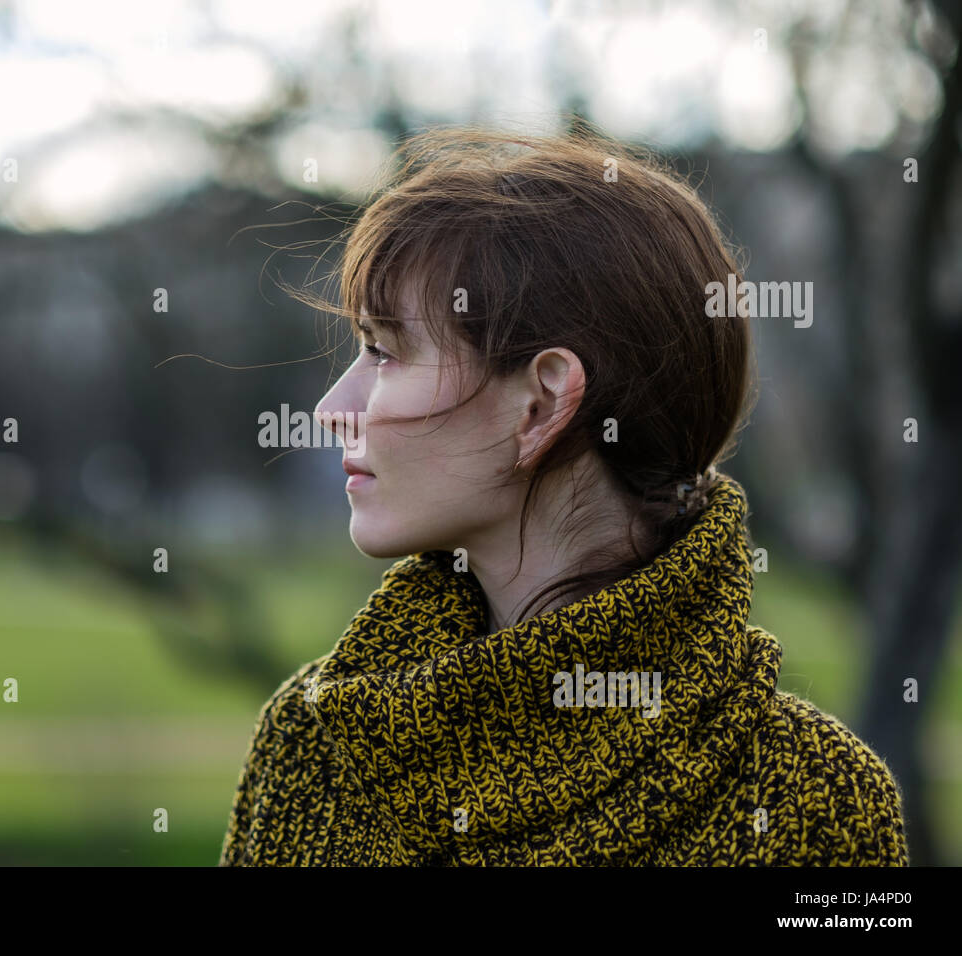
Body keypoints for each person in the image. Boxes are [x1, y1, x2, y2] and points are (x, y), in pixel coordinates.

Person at [218, 125, 909, 866]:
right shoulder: (309, 748)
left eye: (386, 353)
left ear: (543, 404)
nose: (332, 409)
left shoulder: (812, 802)